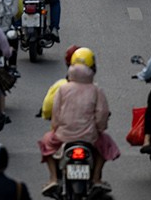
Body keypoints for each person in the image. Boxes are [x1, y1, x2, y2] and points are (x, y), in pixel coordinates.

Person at [37, 62, 119, 191]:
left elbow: (56, 113)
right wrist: (99, 130)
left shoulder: (62, 89)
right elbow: (102, 113)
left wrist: (55, 129)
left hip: (64, 136)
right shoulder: (96, 90)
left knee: (46, 142)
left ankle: (53, 178)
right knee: (106, 143)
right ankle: (96, 178)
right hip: (89, 137)